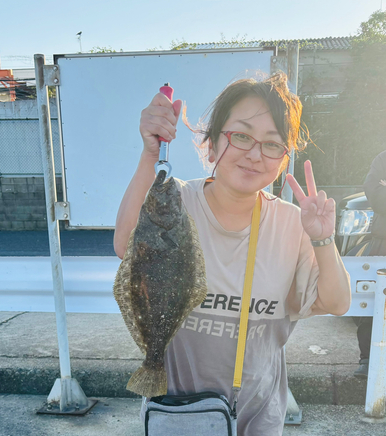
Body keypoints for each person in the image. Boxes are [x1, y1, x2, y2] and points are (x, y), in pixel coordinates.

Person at [113, 73, 351, 436]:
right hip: (178, 417)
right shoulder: (174, 200)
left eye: (272, 144)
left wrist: (322, 239)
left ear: (283, 159)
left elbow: (337, 302)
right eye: (241, 136)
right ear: (210, 144)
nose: (255, 154)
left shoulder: (293, 223)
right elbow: (124, 245)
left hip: (257, 419)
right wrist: (150, 153)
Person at [354, 150, 386, 378]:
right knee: (374, 299)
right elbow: (376, 196)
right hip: (383, 242)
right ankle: (367, 358)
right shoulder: (383, 159)